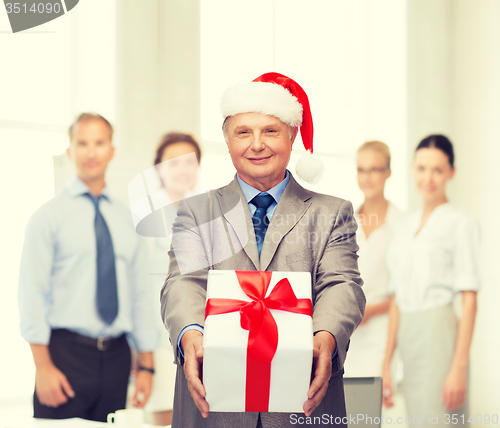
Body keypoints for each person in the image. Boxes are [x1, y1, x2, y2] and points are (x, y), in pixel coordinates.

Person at [161, 72, 366, 428]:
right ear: (227, 141)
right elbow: (183, 282)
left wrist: (326, 335)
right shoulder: (196, 211)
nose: (257, 144)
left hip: (303, 403)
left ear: (291, 136)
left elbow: (342, 284)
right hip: (214, 403)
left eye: (270, 131)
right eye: (243, 132)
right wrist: (190, 333)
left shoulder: (332, 212)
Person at [18, 113, 158, 422]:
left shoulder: (127, 221)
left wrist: (146, 366)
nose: (91, 152)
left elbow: (141, 295)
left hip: (118, 359)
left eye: (99, 143)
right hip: (64, 356)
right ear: (69, 151)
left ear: (112, 150)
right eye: (82, 143)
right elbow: (32, 294)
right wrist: (43, 367)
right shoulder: (48, 217)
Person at [382, 135, 480, 427]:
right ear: (413, 169)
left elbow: (470, 298)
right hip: (408, 337)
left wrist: (458, 367)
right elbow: (396, 298)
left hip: (440, 336)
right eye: (422, 168)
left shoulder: (460, 223)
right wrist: (387, 362)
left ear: (452, 172)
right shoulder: (403, 227)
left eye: (438, 170)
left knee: (440, 420)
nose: (429, 178)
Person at [145, 132, 202, 427]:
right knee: (162, 417)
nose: (183, 170)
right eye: (173, 162)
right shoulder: (146, 217)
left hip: (196, 337)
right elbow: (139, 289)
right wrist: (142, 352)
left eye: (189, 162)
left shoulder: (207, 214)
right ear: (158, 169)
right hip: (156, 339)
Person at [343, 141, 402, 377]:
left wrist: (371, 310)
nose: (367, 177)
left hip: (382, 334)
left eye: (375, 169)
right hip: (347, 332)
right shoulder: (345, 221)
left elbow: (404, 291)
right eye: (362, 170)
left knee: (373, 408)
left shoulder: (402, 225)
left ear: (388, 172)